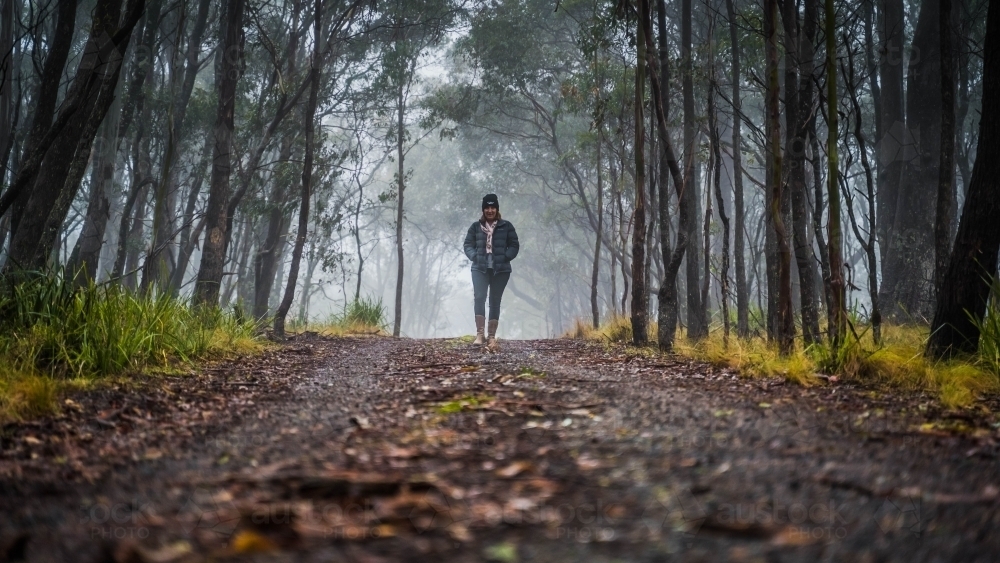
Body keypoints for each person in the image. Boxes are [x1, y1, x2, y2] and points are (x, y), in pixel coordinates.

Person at [463, 194, 519, 347]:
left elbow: (514, 245)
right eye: (487, 207)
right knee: (479, 298)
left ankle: (492, 337)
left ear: (497, 209)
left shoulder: (507, 226)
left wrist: (504, 257)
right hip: (479, 268)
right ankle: (480, 335)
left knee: (495, 300)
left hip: (501, 270)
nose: (489, 210)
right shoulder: (475, 227)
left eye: (492, 207)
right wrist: (475, 257)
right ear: (483, 210)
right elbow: (468, 244)